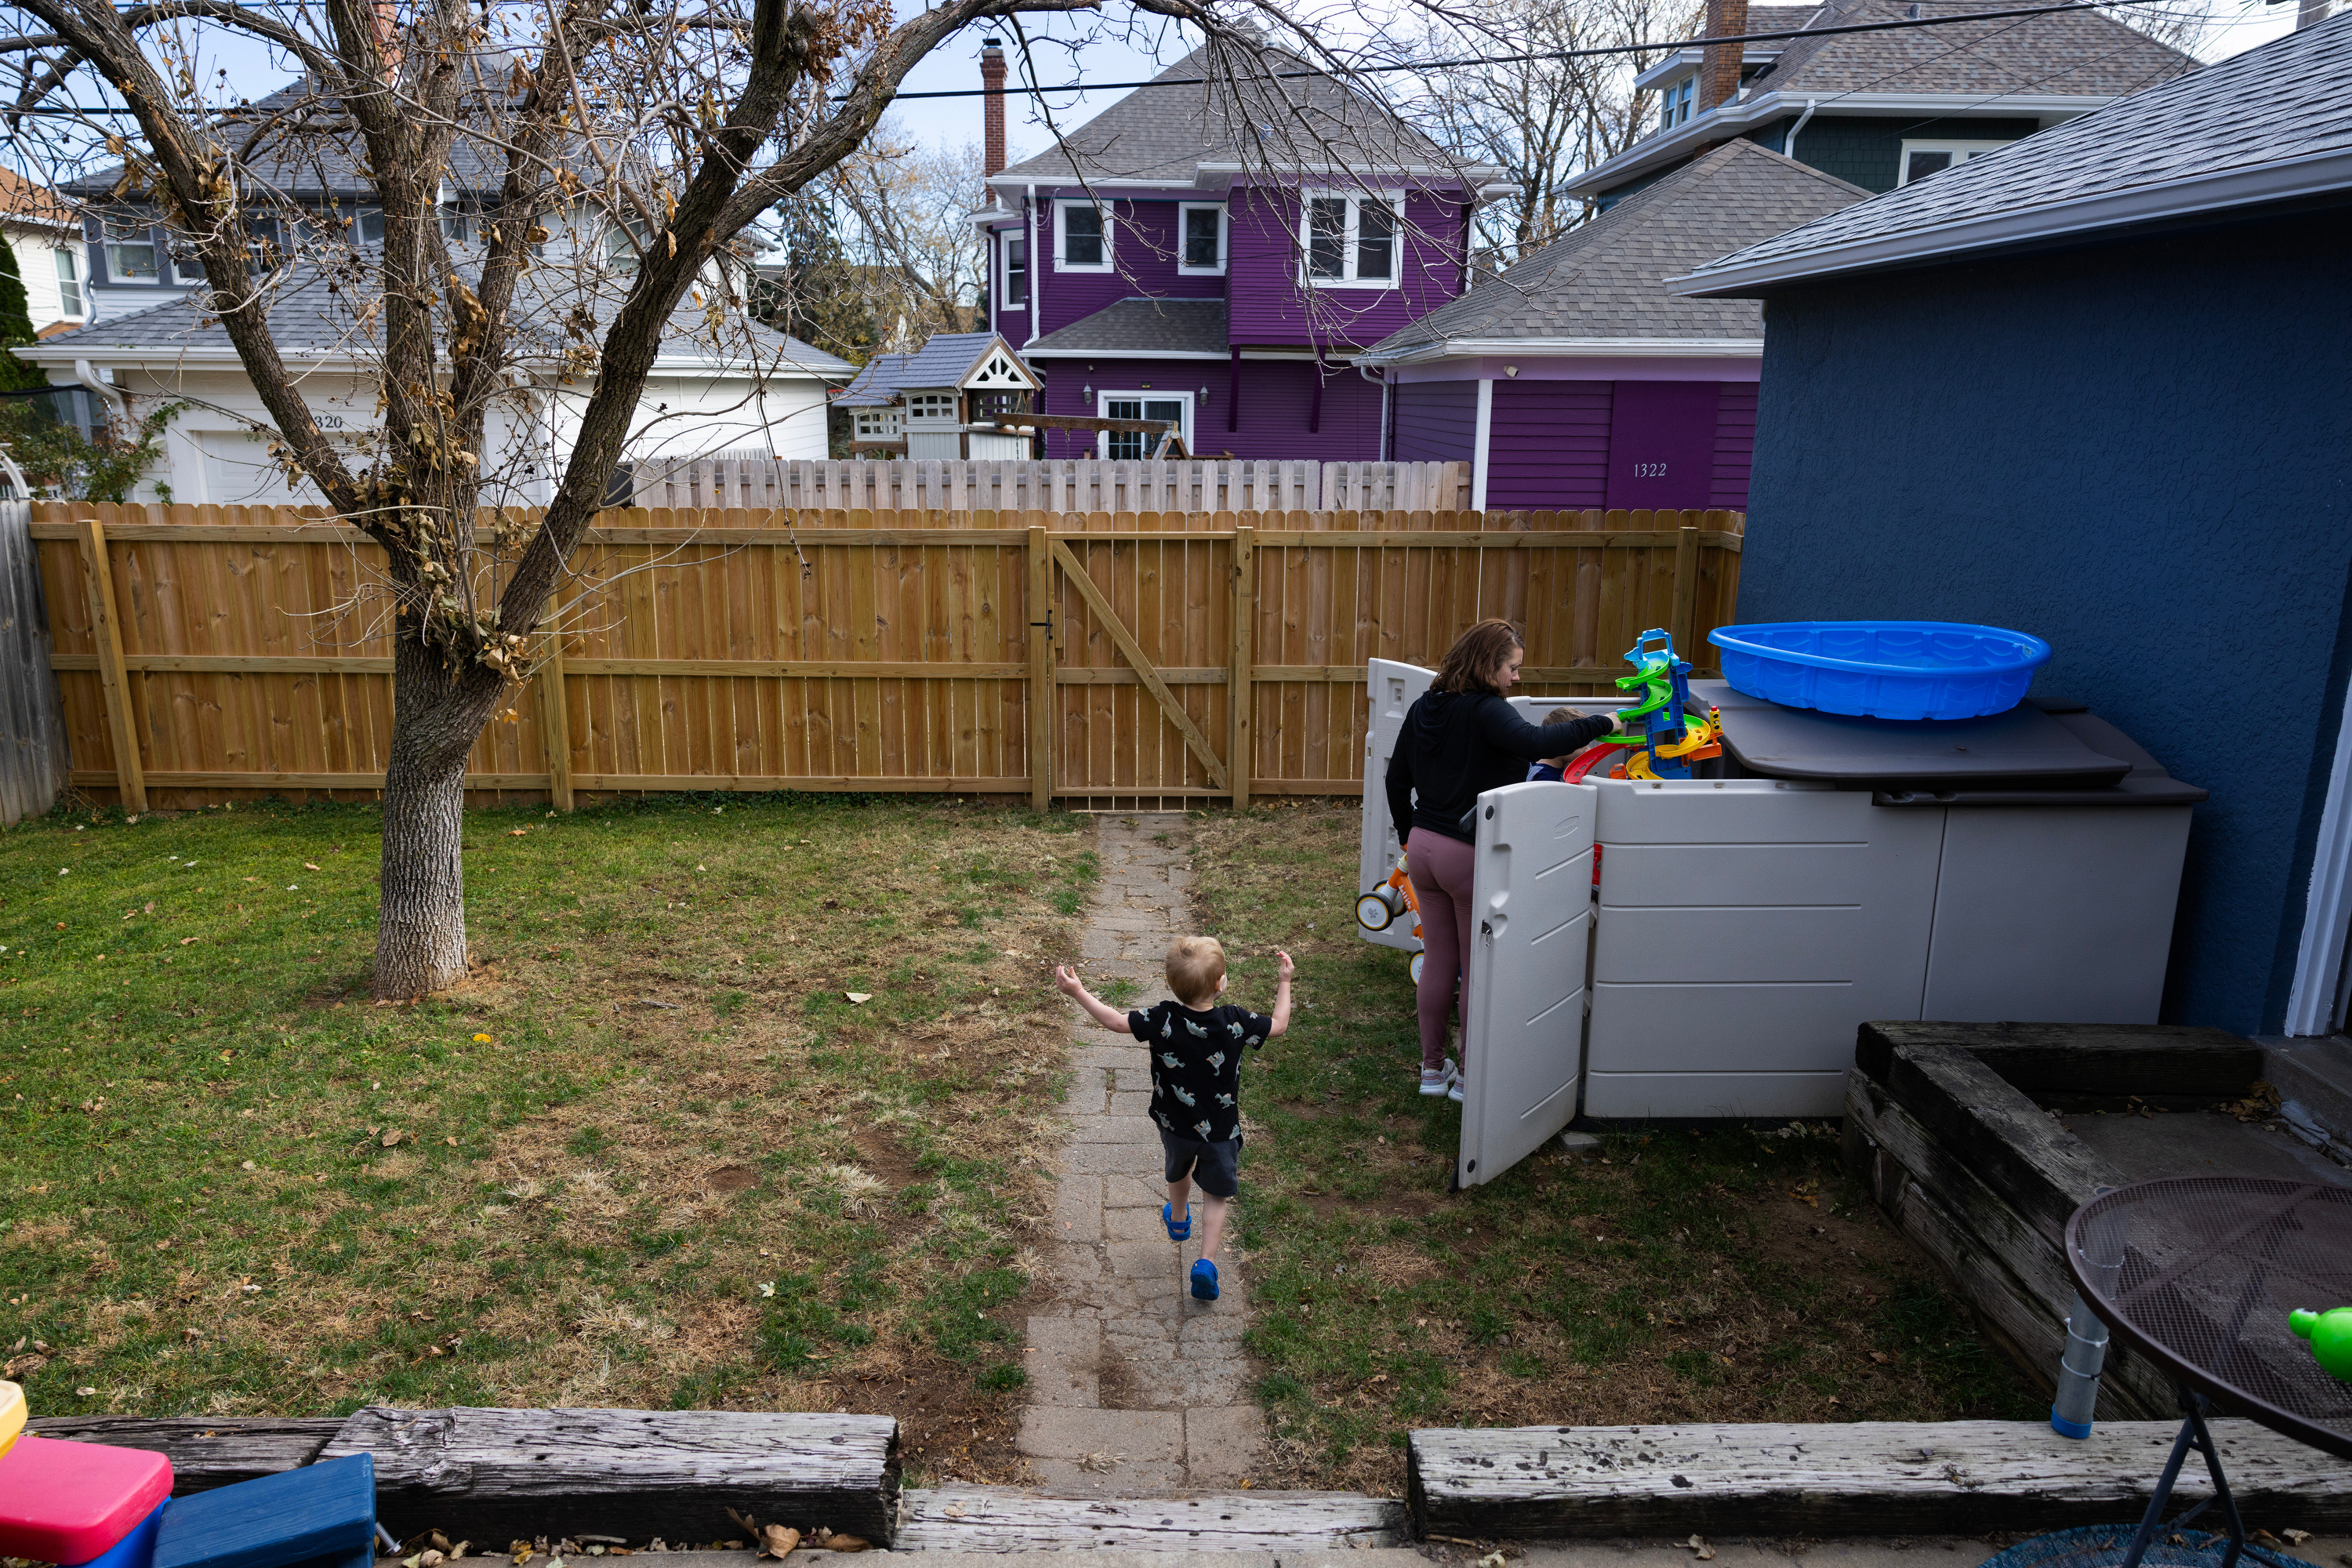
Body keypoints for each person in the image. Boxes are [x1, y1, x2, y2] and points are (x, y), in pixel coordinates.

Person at [1385, 620, 1620, 1101]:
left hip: (1424, 851)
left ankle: (1432, 1070)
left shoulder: (1425, 705)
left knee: (1438, 960)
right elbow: (1540, 743)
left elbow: (1396, 780)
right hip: (1467, 856)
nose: (1516, 678)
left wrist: (1412, 834)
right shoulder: (1487, 711)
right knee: (1475, 968)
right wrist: (1605, 724)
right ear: (1489, 665)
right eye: (1512, 667)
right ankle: (1469, 1078)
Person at [1054, 936, 1293, 1304]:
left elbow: (1117, 1022)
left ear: (1171, 985)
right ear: (1220, 983)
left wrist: (1078, 993)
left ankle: (1179, 1219)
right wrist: (1285, 981)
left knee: (1178, 1170)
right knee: (1216, 1194)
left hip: (1175, 1125)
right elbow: (1277, 1025)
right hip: (1221, 1132)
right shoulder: (1235, 1021)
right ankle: (1205, 1263)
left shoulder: (1162, 1017)